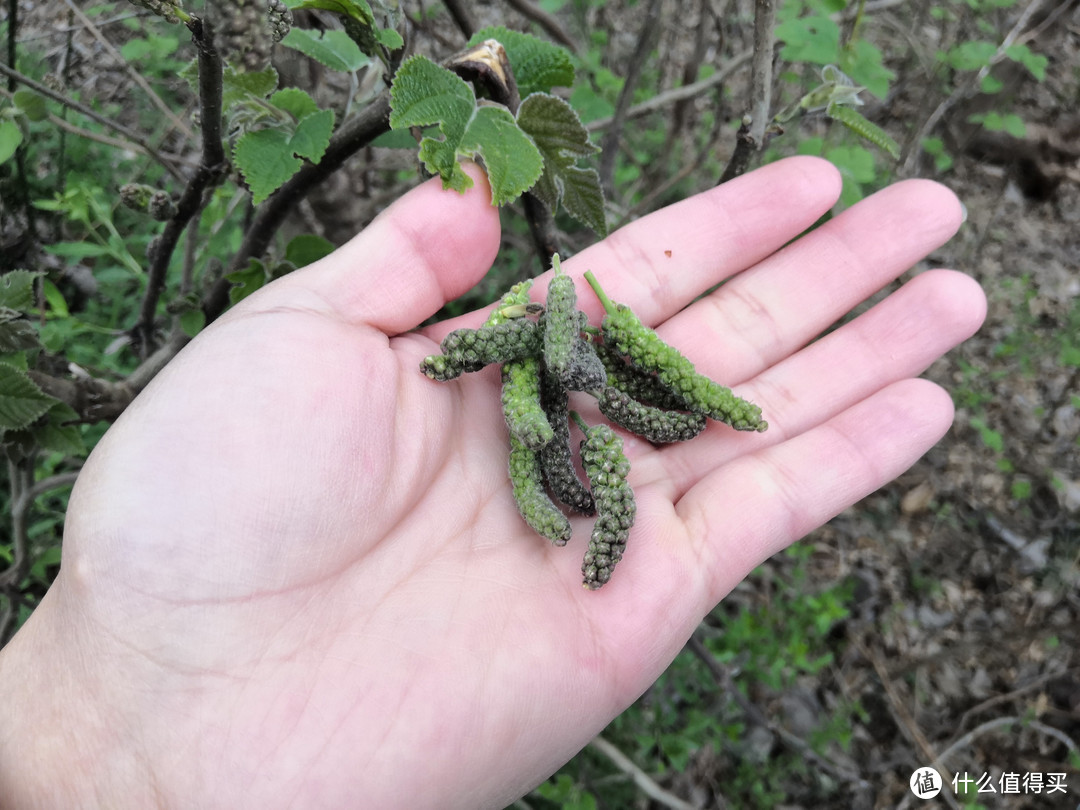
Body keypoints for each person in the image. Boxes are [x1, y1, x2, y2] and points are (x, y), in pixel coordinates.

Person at [0, 156, 986, 809]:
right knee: (588, 417)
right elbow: (552, 408)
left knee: (651, 409)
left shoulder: (580, 362)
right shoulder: (538, 379)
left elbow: (614, 397)